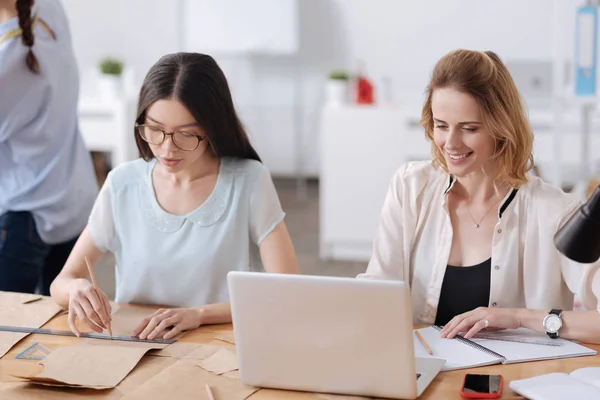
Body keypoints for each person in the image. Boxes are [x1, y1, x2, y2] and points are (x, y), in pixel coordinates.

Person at [50, 52, 299, 340]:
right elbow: (61, 282)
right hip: (139, 348)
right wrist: (77, 289)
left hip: (222, 346)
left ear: (212, 128)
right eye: (155, 130)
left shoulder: (249, 181)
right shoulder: (122, 184)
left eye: (185, 134)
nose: (167, 149)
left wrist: (199, 314)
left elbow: (286, 291)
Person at [358, 49, 600, 344]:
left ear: (502, 128)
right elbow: (376, 291)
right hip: (424, 374)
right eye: (441, 125)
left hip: (515, 379)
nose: (451, 143)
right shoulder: (410, 187)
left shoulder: (554, 211)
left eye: (469, 128)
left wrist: (520, 317)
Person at [0, 0, 98, 295]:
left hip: (25, 215)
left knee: (8, 332)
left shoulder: (7, 57)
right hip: (74, 199)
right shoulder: (50, 9)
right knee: (67, 327)